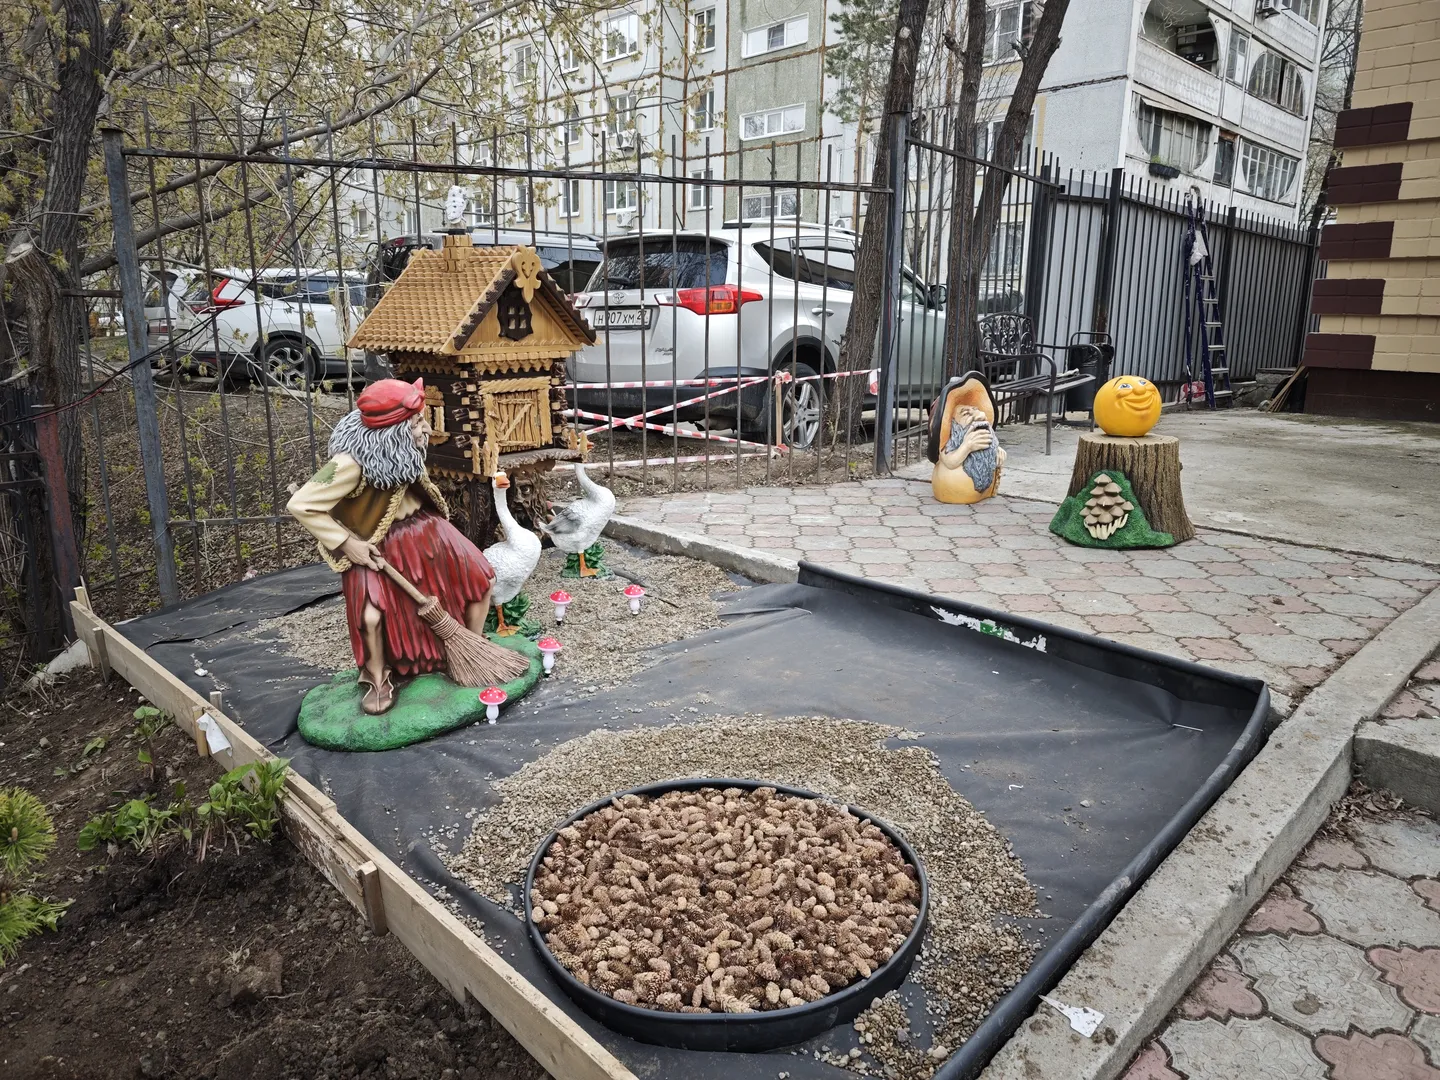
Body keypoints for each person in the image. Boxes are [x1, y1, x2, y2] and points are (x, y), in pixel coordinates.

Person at [286, 378, 496, 714]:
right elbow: (302, 504)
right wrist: (347, 543)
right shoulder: (348, 464)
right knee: (371, 617)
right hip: (376, 545)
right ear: (393, 430)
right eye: (416, 423)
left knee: (482, 578)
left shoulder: (399, 449)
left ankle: (469, 649)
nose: (425, 428)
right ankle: (376, 675)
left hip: (426, 531)